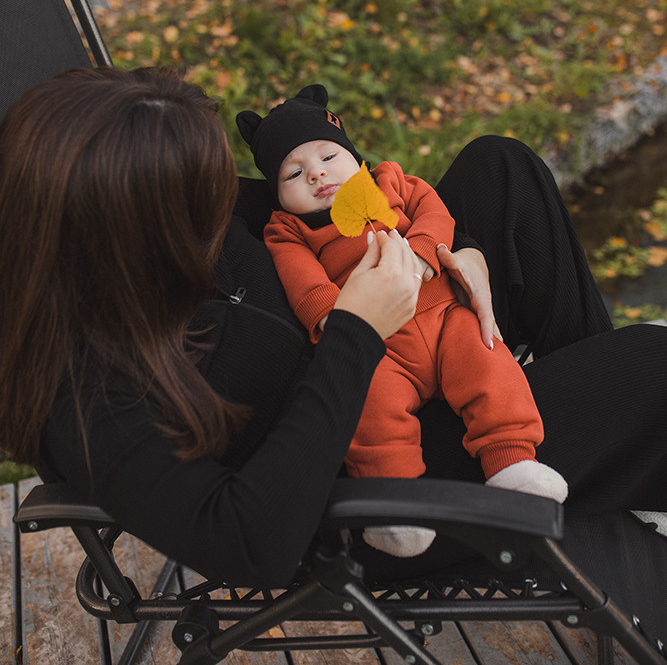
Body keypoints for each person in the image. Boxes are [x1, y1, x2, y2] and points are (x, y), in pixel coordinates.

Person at [0, 66, 665, 607]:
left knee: (502, 170)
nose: (224, 200)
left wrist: (456, 255)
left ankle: (572, 460)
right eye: (204, 194)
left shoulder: (167, 221)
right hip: (363, 483)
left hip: (397, 345)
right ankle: (582, 457)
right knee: (646, 368)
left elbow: (320, 191)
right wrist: (355, 332)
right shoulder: (90, 399)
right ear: (129, 232)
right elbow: (251, 544)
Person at [236, 84, 568, 557]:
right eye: (294, 172)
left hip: (442, 315)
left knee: (488, 358)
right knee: (370, 408)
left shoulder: (389, 182)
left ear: (354, 155)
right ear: (277, 192)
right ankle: (394, 501)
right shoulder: (287, 230)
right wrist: (337, 318)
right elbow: (304, 283)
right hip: (378, 345)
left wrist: (422, 249)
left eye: (329, 156)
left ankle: (512, 463)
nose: (317, 175)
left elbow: (434, 210)